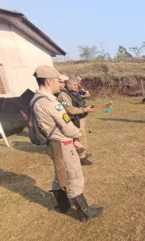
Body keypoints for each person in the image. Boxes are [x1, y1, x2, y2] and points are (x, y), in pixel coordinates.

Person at [31, 65, 103, 222]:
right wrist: (76, 136)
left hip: (52, 143)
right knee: (74, 176)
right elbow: (68, 127)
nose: (60, 84)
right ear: (49, 81)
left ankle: (63, 205)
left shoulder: (36, 100)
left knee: (60, 173)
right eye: (58, 80)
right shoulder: (51, 103)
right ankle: (84, 212)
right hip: (62, 144)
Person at [57, 76, 94, 166]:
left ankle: (83, 153)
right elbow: (69, 109)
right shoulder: (63, 95)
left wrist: (85, 97)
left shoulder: (73, 92)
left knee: (83, 136)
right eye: (74, 85)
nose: (77, 86)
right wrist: (84, 110)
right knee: (79, 137)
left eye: (77, 84)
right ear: (68, 84)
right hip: (75, 120)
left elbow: (78, 100)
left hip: (81, 117)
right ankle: (81, 157)